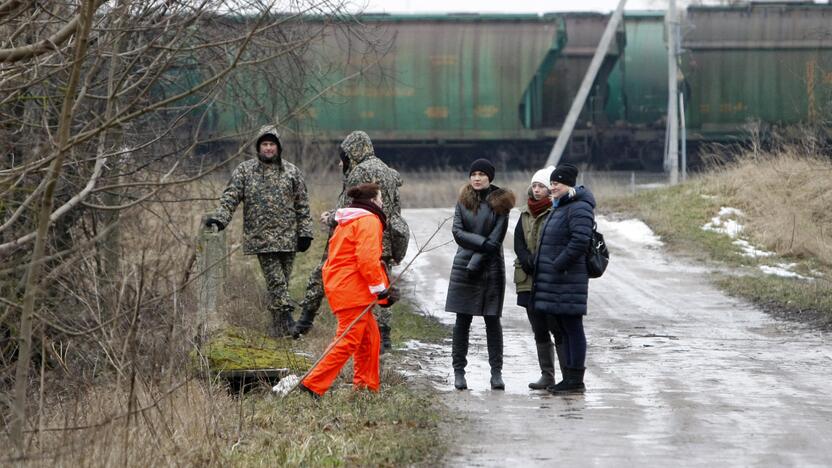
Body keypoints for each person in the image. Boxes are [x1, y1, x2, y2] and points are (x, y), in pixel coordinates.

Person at [293, 131, 406, 354]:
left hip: (359, 236)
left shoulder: (359, 172)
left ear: (353, 151)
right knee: (381, 284)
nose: (340, 162)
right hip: (384, 237)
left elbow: (351, 209)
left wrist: (331, 216)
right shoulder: (389, 172)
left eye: (343, 156)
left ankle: (303, 324)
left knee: (323, 272)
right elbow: (396, 209)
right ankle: (384, 339)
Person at [205, 125, 313, 337]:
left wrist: (305, 233)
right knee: (276, 281)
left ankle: (278, 327)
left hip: (288, 237)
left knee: (281, 282)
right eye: (264, 144)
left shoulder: (292, 172)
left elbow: (302, 205)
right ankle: (288, 321)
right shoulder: (245, 171)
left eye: (272, 144)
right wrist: (220, 219)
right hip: (261, 238)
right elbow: (231, 197)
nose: (268, 148)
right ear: (258, 147)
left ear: (278, 147)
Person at [300, 183, 395, 397]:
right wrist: (381, 291)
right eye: (380, 199)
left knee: (370, 338)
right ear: (372, 201)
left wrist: (382, 294)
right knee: (348, 339)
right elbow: (367, 260)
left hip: (345, 285)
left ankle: (366, 387)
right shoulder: (369, 221)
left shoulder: (351, 220)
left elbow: (363, 261)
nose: (382, 203)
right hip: (351, 288)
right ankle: (312, 385)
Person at [445, 159, 515, 390]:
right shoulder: (462, 201)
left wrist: (477, 257)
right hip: (463, 267)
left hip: (491, 267)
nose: (476, 178)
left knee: (492, 321)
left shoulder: (501, 203)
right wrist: (480, 248)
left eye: (481, 174)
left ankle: (496, 373)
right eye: (473, 173)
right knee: (461, 321)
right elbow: (457, 232)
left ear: (489, 178)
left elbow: (496, 241)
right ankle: (459, 372)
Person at [531, 163, 595, 394]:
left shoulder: (579, 207)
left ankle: (575, 379)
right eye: (553, 183)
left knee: (573, 327)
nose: (553, 186)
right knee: (565, 327)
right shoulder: (562, 205)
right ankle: (569, 377)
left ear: (568, 184)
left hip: (568, 278)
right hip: (559, 280)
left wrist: (558, 264)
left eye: (556, 183)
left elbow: (580, 240)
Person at [513, 165, 567, 390]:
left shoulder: (556, 211)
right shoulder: (525, 213)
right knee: (538, 329)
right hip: (527, 279)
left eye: (541, 186)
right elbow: (518, 240)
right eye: (534, 185)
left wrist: (541, 261)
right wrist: (525, 258)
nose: (536, 190)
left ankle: (566, 376)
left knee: (556, 327)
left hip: (548, 279)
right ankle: (547, 375)